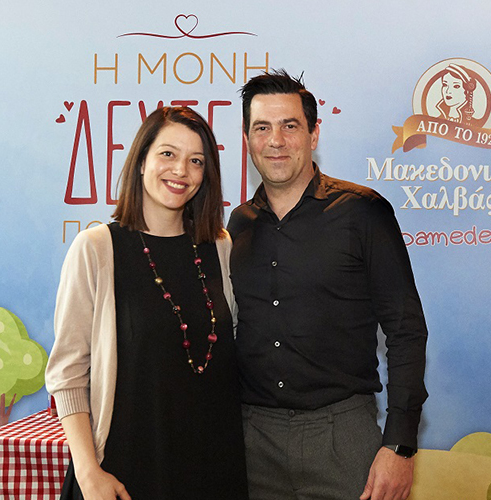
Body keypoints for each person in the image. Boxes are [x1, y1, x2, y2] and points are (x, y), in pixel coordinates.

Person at [228, 70, 428, 500]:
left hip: (343, 439)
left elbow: (406, 330)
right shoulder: (237, 226)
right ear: (247, 139)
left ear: (314, 134)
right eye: (262, 128)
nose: (276, 140)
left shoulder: (363, 213)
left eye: (290, 125)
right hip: (252, 443)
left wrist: (400, 444)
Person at [46, 107, 247, 500]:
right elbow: (68, 374)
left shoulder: (220, 247)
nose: (181, 170)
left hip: (213, 466)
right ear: (141, 161)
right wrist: (88, 472)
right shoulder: (96, 249)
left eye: (196, 161)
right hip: (125, 471)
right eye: (168, 154)